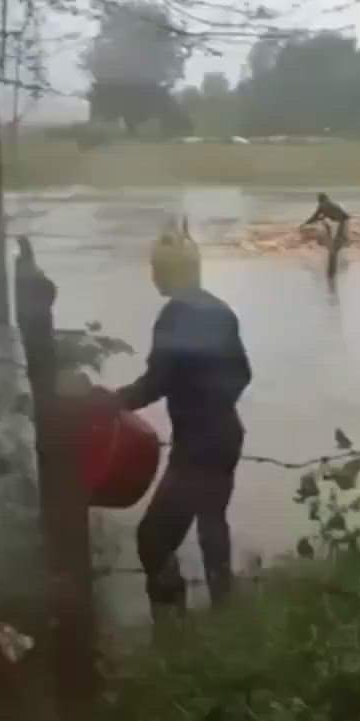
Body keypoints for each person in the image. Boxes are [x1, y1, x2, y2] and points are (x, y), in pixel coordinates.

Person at [112, 217, 252, 618]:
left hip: (196, 446)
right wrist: (213, 402)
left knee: (153, 538)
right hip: (226, 435)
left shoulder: (174, 316)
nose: (153, 275)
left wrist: (113, 402)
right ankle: (225, 613)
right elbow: (243, 374)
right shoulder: (221, 311)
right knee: (212, 524)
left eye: (157, 268)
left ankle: (172, 624)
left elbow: (156, 382)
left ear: (171, 271)